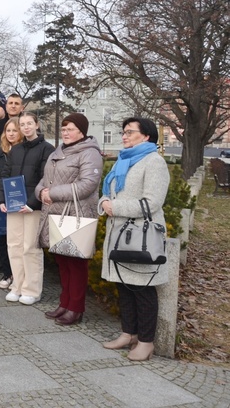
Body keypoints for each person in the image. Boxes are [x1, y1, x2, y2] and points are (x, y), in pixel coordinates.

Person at [99, 117, 169, 361]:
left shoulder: (154, 162)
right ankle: (128, 333)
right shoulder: (123, 160)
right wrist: (105, 203)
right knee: (123, 285)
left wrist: (114, 206)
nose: (124, 136)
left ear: (146, 136)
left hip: (141, 235)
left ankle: (146, 341)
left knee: (142, 287)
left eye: (130, 132)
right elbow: (108, 193)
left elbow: (152, 202)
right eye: (123, 132)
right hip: (119, 232)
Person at [35, 113, 103, 326]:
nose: (65, 132)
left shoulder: (90, 153)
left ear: (81, 131)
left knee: (76, 263)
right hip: (56, 214)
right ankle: (64, 303)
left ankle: (76, 307)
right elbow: (44, 179)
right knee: (62, 260)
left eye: (70, 129)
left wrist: (51, 193)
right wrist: (40, 192)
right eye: (63, 129)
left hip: (76, 214)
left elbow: (87, 185)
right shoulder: (58, 151)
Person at [0, 112, 54, 305]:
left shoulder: (47, 149)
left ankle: (32, 289)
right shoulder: (16, 150)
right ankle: (17, 286)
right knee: (14, 245)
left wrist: (32, 203)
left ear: (36, 125)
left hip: (32, 207)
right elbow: (5, 174)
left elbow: (45, 179)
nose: (26, 127)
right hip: (13, 206)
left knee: (30, 247)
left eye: (29, 123)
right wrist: (1, 199)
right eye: (23, 124)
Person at [0, 118, 23, 289]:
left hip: (20, 202)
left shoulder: (24, 151)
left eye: (14, 130)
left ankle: (19, 276)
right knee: (4, 239)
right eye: (8, 130)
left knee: (19, 240)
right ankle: (7, 273)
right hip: (2, 202)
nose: (10, 134)